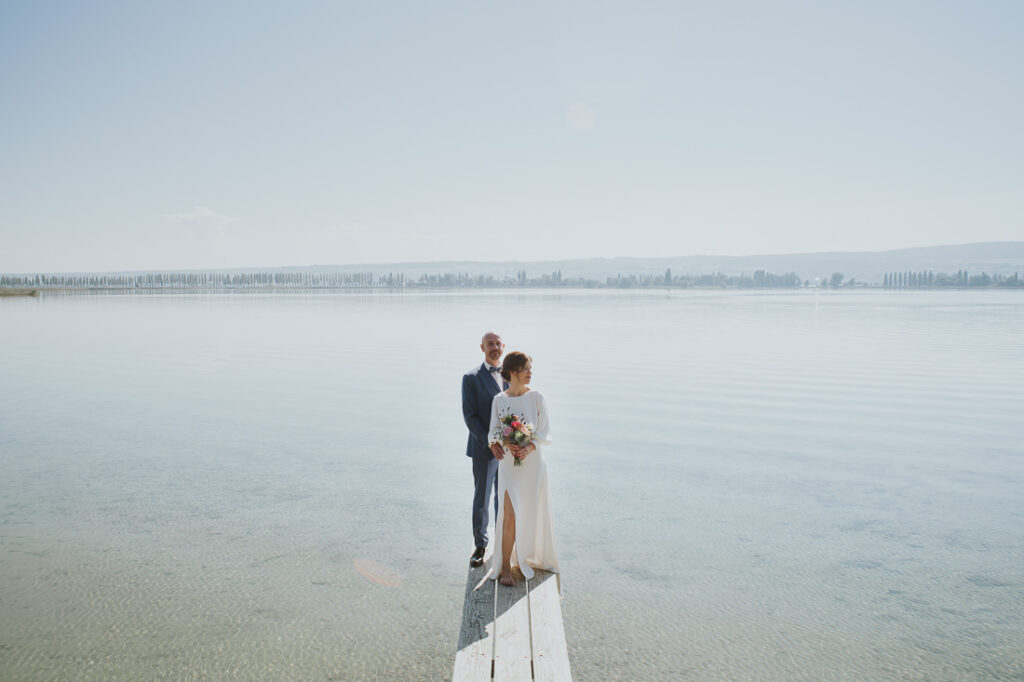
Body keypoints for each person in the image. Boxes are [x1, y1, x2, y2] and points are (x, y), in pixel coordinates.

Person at [488, 352, 559, 587]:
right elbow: (493, 432)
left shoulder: (537, 397)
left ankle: (529, 556)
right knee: (509, 514)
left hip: (533, 463)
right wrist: (503, 442)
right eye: (526, 368)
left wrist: (529, 446)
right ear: (514, 371)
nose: (530, 372)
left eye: (530, 368)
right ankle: (506, 566)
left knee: (530, 510)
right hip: (509, 464)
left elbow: (545, 432)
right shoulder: (499, 399)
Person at [462, 331, 508, 567]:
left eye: (498, 344)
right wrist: (490, 441)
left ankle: (503, 541)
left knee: (506, 496)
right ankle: (480, 545)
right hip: (484, 449)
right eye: (490, 344)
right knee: (482, 498)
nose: (494, 347)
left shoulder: (511, 375)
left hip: (509, 451)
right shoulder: (471, 378)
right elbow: (470, 417)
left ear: (503, 346)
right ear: (482, 348)